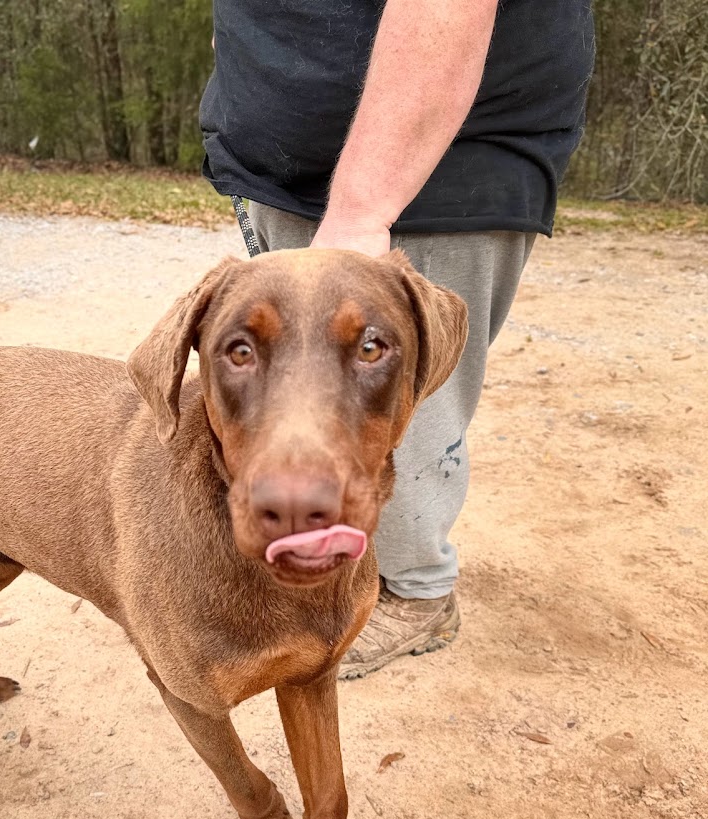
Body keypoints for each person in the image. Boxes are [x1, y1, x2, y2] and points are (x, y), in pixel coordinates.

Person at [199, 0, 595, 679]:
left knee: (397, 414)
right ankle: (348, 563)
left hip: (420, 178)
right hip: (291, 177)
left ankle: (417, 595)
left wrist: (361, 211)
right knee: (299, 392)